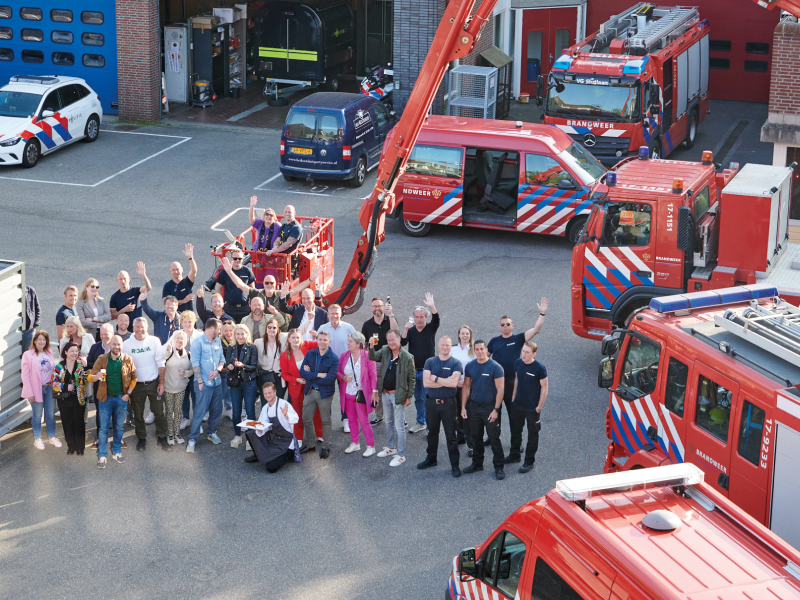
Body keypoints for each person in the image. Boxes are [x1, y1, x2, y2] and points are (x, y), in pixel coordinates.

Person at [486, 299, 548, 461]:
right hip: (496, 383)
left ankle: (517, 443)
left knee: (514, 416)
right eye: (503, 324)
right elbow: (484, 359)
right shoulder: (494, 341)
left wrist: (542, 313)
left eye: (508, 324)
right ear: (499, 327)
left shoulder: (520, 338)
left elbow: (536, 329)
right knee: (494, 411)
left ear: (512, 326)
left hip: (513, 383)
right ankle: (493, 436)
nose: (505, 326)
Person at [88, 335, 137, 468]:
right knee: (103, 428)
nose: (116, 346)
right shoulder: (102, 359)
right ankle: (102, 454)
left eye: (119, 344)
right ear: (110, 345)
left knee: (119, 427)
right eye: (114, 344)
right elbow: (89, 376)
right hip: (105, 399)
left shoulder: (127, 359)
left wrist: (128, 394)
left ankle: (116, 451)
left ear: (122, 345)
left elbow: (134, 378)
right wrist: (96, 377)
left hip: (122, 398)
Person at [369, 330, 415, 467]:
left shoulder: (407, 357)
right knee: (388, 422)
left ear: (399, 339)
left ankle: (401, 455)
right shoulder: (385, 350)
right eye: (388, 340)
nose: (391, 342)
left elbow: (412, 378)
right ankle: (391, 447)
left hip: (398, 395)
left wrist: (409, 396)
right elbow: (373, 357)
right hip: (385, 393)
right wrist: (371, 346)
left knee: (399, 426)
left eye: (393, 340)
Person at [461, 340, 506, 480]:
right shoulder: (470, 366)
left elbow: (500, 389)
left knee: (494, 438)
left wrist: (496, 409)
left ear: (486, 349)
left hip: (490, 407)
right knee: (476, 437)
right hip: (474, 407)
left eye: (482, 349)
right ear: (474, 351)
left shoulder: (496, 367)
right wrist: (463, 407)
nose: (480, 352)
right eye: (477, 349)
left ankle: (499, 466)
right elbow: (466, 387)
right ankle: (477, 463)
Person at [419, 336, 463, 477]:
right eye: (443, 345)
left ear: (451, 347)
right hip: (432, 404)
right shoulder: (430, 362)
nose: (445, 347)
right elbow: (426, 383)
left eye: (447, 345)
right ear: (438, 345)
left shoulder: (456, 363)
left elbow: (453, 383)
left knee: (451, 435)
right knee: (432, 433)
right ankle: (431, 459)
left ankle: (455, 465)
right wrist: (446, 381)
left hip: (449, 404)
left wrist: (436, 378)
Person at [122, 317, 167, 452]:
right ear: (133, 328)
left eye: (142, 327)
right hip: (136, 385)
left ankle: (162, 436)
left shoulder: (154, 341)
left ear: (147, 328)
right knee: (138, 414)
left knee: (159, 412)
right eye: (137, 327)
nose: (140, 329)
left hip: (154, 382)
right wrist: (127, 388)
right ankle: (141, 438)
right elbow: (124, 367)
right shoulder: (126, 344)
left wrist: (161, 382)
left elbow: (160, 362)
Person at [401, 292, 439, 433]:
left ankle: (430, 426)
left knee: (428, 399)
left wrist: (432, 306)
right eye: (416, 317)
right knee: (418, 399)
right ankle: (420, 422)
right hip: (414, 370)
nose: (419, 319)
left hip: (428, 371)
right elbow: (403, 342)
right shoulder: (411, 330)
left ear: (425, 317)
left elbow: (436, 319)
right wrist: (405, 329)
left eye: (421, 317)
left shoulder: (430, 328)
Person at [243, 382, 301, 473]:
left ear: (275, 392)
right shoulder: (265, 408)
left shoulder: (284, 404)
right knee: (251, 433)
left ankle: (289, 454)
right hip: (274, 437)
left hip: (286, 441)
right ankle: (258, 455)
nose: (267, 395)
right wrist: (259, 429)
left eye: (270, 393)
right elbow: (263, 424)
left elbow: (296, 418)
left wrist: (286, 415)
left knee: (271, 467)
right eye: (265, 393)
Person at [298, 329, 339, 459]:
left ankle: (326, 446)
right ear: (317, 340)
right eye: (320, 339)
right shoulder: (310, 354)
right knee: (306, 418)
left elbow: (329, 379)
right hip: (310, 391)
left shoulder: (334, 358)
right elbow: (302, 372)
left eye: (325, 340)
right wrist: (319, 375)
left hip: (325, 394)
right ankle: (310, 444)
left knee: (325, 420)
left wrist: (311, 375)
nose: (322, 342)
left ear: (329, 342)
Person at [280, 329, 323, 446]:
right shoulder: (284, 355)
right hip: (296, 388)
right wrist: (296, 380)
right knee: (298, 413)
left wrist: (317, 335)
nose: (296, 340)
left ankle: (320, 434)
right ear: (289, 340)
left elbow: (322, 343)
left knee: (316, 411)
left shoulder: (307, 345)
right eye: (293, 338)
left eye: (298, 337)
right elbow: (284, 374)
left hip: (311, 385)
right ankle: (298, 437)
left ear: (301, 338)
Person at [337, 332, 377, 457]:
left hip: (361, 395)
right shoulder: (344, 355)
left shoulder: (367, 355)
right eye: (348, 340)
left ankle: (371, 446)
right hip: (347, 394)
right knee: (351, 420)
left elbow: (373, 375)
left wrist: (374, 392)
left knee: (364, 421)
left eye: (350, 341)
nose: (348, 343)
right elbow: (337, 372)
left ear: (358, 344)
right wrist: (342, 377)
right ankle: (355, 443)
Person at [188, 318, 225, 453]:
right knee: (200, 411)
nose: (220, 332)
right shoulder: (197, 342)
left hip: (217, 382)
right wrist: (200, 382)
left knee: (217, 409)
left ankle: (211, 432)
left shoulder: (218, 341)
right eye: (219, 329)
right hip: (203, 383)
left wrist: (218, 371)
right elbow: (195, 364)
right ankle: (192, 438)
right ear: (212, 328)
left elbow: (222, 360)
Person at [510, 341, 548, 473]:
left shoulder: (539, 368)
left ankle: (528, 462)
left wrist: (539, 407)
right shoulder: (518, 363)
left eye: (527, 352)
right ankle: (514, 455)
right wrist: (513, 397)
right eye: (523, 351)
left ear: (534, 353)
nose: (524, 354)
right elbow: (516, 379)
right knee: (515, 431)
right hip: (518, 404)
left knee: (532, 435)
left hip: (532, 407)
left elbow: (544, 388)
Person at [220, 257, 288, 330]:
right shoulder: (257, 293)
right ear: (263, 284)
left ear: (275, 284)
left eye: (271, 283)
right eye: (267, 283)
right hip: (262, 329)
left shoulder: (281, 294)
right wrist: (229, 271)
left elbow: (295, 291)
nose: (269, 285)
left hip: (279, 330)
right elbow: (240, 285)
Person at [318, 304, 356, 431]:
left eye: (337, 313)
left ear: (341, 314)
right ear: (328, 314)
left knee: (344, 394)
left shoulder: (348, 328)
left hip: (344, 366)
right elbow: (317, 345)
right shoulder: (322, 328)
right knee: (326, 394)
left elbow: (356, 345)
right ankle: (326, 421)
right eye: (332, 313)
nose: (334, 316)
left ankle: (346, 420)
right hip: (326, 367)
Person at [361, 298, 399, 426]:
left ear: (383, 307)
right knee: (376, 389)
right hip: (375, 362)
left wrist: (391, 314)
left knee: (393, 389)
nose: (377, 308)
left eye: (379, 305)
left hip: (390, 361)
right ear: (371, 308)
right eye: (375, 306)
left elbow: (396, 332)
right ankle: (379, 415)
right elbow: (364, 344)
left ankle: (398, 416)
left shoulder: (390, 320)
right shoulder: (367, 325)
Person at [20, 330, 61, 450]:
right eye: (40, 339)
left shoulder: (49, 352)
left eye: (44, 339)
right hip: (36, 389)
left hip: (49, 388)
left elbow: (54, 371)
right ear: (35, 341)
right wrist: (30, 393)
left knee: (50, 414)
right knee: (37, 415)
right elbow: (25, 376)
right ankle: (37, 438)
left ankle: (52, 437)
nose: (42, 342)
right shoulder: (28, 355)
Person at [87, 324, 125, 450]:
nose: (103, 336)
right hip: (100, 387)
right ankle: (99, 437)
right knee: (100, 413)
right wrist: (100, 366)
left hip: (117, 387)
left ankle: (118, 438)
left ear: (112, 333)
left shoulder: (118, 346)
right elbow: (89, 363)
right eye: (101, 334)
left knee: (117, 414)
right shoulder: (95, 347)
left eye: (106, 334)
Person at [165, 311, 202, 431]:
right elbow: (167, 348)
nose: (187, 324)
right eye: (185, 322)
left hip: (196, 371)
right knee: (184, 395)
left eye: (190, 321)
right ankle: (185, 418)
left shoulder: (199, 335)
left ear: (194, 322)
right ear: (181, 323)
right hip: (182, 371)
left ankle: (197, 422)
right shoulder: (177, 334)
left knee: (196, 397)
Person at [51, 342, 88, 455]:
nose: (74, 353)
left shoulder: (80, 364)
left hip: (79, 398)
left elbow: (86, 377)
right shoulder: (59, 366)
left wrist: (87, 367)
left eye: (76, 351)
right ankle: (71, 446)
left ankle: (80, 447)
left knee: (79, 423)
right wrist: (66, 387)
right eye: (72, 351)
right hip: (64, 399)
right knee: (67, 423)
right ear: (66, 352)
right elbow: (53, 382)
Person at [226, 324, 259, 449]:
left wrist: (243, 366)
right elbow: (227, 363)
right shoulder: (231, 347)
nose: (240, 336)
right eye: (238, 334)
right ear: (235, 335)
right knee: (236, 412)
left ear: (247, 334)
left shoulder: (252, 347)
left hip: (249, 382)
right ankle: (237, 435)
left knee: (250, 411)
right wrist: (229, 367)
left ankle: (251, 438)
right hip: (235, 383)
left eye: (242, 334)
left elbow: (254, 366)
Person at [162, 330, 191, 445]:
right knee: (169, 411)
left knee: (178, 411)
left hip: (181, 388)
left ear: (185, 341)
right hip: (168, 387)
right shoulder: (169, 352)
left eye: (182, 339)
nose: (179, 340)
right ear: (174, 340)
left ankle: (177, 433)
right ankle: (170, 434)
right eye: (177, 338)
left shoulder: (188, 354)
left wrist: (186, 373)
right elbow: (163, 358)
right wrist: (168, 350)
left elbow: (192, 370)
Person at [450, 325, 476, 451]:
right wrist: (455, 381)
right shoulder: (453, 349)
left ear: (470, 335)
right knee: (456, 413)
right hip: (454, 385)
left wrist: (464, 381)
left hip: (467, 386)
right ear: (459, 335)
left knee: (467, 413)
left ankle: (472, 445)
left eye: (467, 333)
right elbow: (449, 366)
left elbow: (476, 369)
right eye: (463, 333)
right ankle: (460, 436)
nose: (465, 335)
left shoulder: (473, 350)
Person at [212, 248, 255, 323]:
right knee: (227, 329)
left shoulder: (247, 271)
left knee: (244, 329)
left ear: (243, 259)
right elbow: (218, 288)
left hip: (244, 308)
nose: (237, 260)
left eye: (239, 258)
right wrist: (219, 304)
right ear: (231, 259)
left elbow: (252, 290)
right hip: (229, 308)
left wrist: (252, 305)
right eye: (235, 258)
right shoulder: (225, 272)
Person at [255, 318, 288, 402]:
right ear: (266, 329)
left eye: (274, 327)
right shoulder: (258, 342)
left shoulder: (283, 339)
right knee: (266, 402)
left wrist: (309, 320)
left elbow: (298, 332)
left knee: (278, 402)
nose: (271, 329)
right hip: (265, 376)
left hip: (279, 376)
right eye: (269, 327)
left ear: (278, 329)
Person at [162, 243, 197, 312]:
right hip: (173, 316)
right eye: (173, 270)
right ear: (170, 271)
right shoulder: (167, 286)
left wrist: (190, 257)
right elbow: (165, 302)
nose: (176, 272)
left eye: (177, 269)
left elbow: (194, 271)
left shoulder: (187, 282)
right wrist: (183, 301)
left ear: (182, 269)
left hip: (188, 317)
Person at [219, 320, 236, 420]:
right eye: (226, 330)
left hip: (234, 371)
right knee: (222, 391)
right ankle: (209, 411)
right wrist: (222, 368)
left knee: (231, 391)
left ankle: (229, 408)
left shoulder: (237, 340)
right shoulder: (220, 342)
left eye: (231, 330)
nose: (228, 333)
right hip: (224, 371)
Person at [22, 285, 41, 352]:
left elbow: (37, 307)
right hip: (17, 330)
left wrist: (35, 324)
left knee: (29, 352)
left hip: (29, 329)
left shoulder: (30, 290)